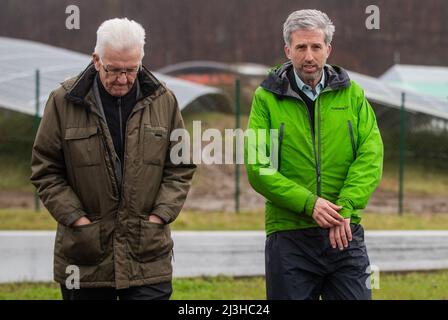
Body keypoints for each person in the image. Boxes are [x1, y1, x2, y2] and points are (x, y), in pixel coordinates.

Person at [30, 18, 196, 300]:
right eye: (114, 69)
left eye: (131, 70)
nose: (122, 79)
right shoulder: (63, 101)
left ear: (141, 61)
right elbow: (46, 169)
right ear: (96, 60)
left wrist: (159, 215)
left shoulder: (164, 100)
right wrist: (77, 219)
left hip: (147, 254)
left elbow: (179, 167)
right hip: (85, 257)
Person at [245, 9, 383, 300]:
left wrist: (345, 207)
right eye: (301, 47)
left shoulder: (353, 94)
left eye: (316, 47)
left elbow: (371, 155)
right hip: (289, 237)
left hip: (344, 232)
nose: (309, 56)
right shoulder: (266, 98)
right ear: (288, 50)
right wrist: (310, 204)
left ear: (328, 49)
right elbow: (258, 167)